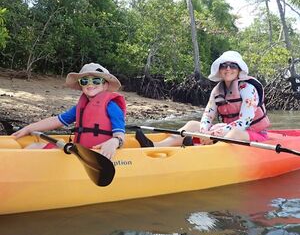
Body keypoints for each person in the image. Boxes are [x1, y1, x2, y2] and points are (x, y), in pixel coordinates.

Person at [135, 50, 270, 147]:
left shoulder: (248, 88)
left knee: (234, 133)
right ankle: (157, 145)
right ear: (219, 70)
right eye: (224, 65)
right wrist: (205, 132)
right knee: (192, 125)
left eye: (233, 66)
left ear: (239, 70)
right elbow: (207, 115)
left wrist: (215, 133)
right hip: (222, 131)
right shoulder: (217, 90)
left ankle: (203, 151)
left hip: (250, 133)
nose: (228, 69)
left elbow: (245, 122)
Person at [12, 63, 126, 159]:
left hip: (97, 154)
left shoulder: (112, 107)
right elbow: (57, 120)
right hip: (79, 152)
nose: (90, 84)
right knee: (33, 146)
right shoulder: (81, 107)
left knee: (34, 148)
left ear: (105, 85)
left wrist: (115, 142)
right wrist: (29, 128)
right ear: (81, 85)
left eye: (96, 81)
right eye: (85, 81)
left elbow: (120, 134)